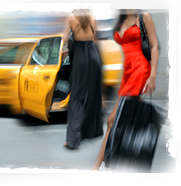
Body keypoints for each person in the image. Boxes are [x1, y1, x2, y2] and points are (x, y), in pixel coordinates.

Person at [91, 9, 159, 170]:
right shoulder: (120, 19)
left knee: (112, 120)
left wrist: (153, 75)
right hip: (127, 73)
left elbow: (154, 46)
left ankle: (96, 167)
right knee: (131, 115)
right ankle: (123, 160)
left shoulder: (143, 17)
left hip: (139, 71)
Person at [63, 9, 103, 149]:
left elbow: (65, 39)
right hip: (93, 56)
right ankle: (91, 132)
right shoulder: (92, 17)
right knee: (92, 95)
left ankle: (73, 140)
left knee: (77, 97)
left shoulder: (71, 17)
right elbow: (95, 40)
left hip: (80, 58)